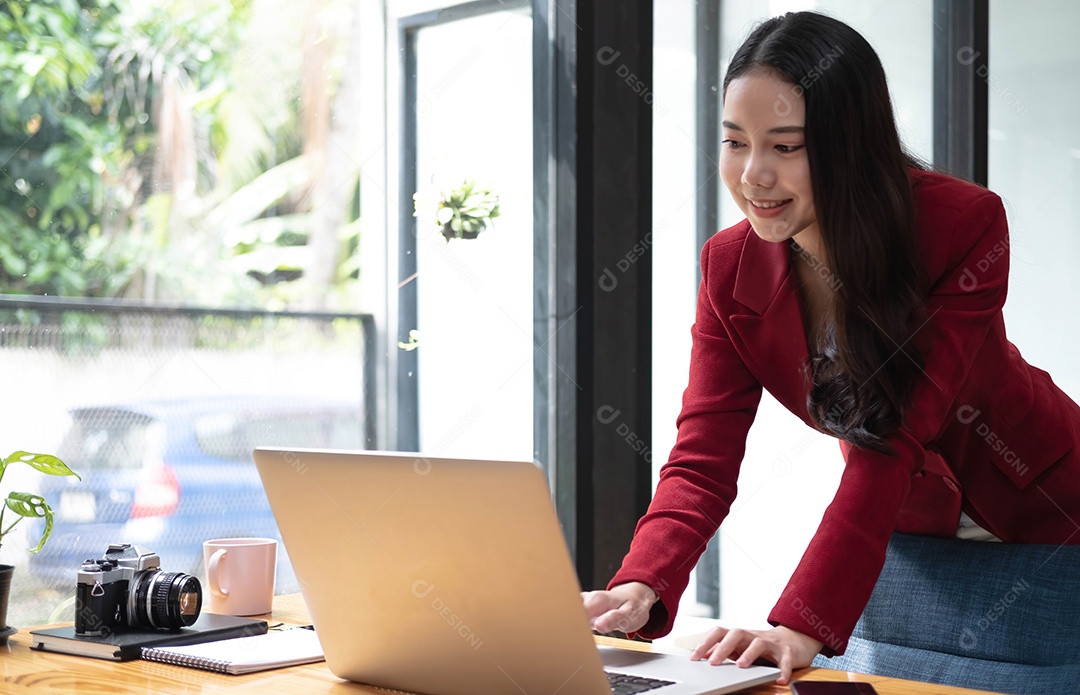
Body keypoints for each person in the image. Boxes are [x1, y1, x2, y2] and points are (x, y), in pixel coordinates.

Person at [582, 10, 1080, 691]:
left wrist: (800, 618)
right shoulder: (728, 269)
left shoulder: (961, 226)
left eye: (785, 147)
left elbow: (894, 436)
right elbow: (702, 458)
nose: (753, 174)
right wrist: (642, 581)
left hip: (1050, 520)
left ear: (853, 145)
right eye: (735, 141)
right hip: (911, 536)